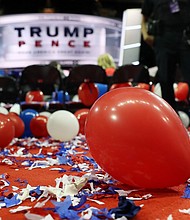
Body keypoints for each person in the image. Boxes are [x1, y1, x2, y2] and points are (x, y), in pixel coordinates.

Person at [141, 0, 190, 112]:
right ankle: (171, 115)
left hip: (185, 39)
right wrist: (145, 34)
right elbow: (144, 16)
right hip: (163, 40)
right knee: (165, 80)